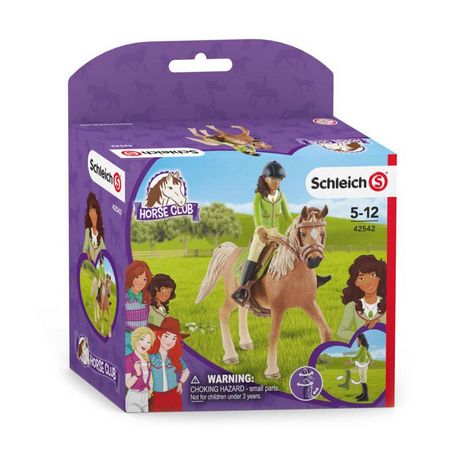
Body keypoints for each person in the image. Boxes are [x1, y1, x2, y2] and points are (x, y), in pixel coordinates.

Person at [232, 161, 330, 304]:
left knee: (295, 249)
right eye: (273, 179)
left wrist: (298, 225)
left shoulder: (280, 196)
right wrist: (260, 230)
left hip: (276, 233)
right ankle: (242, 289)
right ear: (265, 179)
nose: (276, 182)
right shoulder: (259, 196)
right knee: (253, 255)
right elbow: (257, 217)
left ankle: (314, 278)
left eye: (279, 179)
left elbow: (287, 215)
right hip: (262, 234)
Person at [337, 255, 387, 341]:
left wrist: (381, 327)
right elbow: (341, 331)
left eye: (373, 275)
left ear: (380, 277)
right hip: (363, 347)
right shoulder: (352, 306)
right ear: (356, 283)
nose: (368, 282)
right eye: (361, 278)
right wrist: (361, 336)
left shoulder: (389, 303)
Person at [148, 317, 190, 412]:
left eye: (174, 338)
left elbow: (186, 371)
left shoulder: (175, 356)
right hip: (156, 395)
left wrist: (180, 383)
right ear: (159, 336)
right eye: (166, 336)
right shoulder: (151, 356)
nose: (170, 341)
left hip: (173, 394)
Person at [125, 261, 153, 354]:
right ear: (131, 276)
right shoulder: (124, 298)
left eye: (144, 279)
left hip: (143, 339)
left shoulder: (145, 298)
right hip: (128, 337)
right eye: (137, 277)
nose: (141, 282)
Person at [125, 327, 155, 412]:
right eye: (142, 339)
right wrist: (137, 374)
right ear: (135, 340)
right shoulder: (129, 359)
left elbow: (150, 378)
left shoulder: (146, 359)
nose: (145, 344)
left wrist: (150, 389)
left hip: (145, 397)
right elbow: (127, 384)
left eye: (148, 342)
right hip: (134, 396)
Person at [344, 334, 372, 401]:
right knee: (362, 379)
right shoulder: (362, 347)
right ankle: (363, 394)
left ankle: (366, 397)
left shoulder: (362, 348)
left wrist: (350, 360)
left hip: (363, 365)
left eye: (357, 339)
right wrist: (371, 360)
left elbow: (358, 356)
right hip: (361, 365)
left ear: (360, 340)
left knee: (363, 380)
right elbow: (368, 354)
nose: (356, 341)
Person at [83, 192, 105, 262]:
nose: (93, 214)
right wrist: (87, 254)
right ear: (88, 214)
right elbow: (85, 249)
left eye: (95, 211)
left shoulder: (100, 236)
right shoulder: (88, 231)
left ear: (98, 213)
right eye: (91, 211)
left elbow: (104, 253)